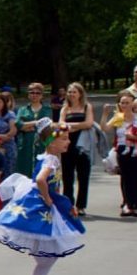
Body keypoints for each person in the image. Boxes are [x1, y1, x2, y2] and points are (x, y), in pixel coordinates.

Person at [0, 119, 85, 275]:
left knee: (47, 255)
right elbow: (41, 180)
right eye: (64, 139)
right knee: (49, 253)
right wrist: (48, 198)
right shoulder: (52, 159)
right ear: (51, 142)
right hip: (40, 204)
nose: (68, 142)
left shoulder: (48, 157)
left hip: (40, 202)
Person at [59, 82, 95, 218]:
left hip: (83, 146)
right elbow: (60, 125)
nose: (71, 94)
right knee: (67, 177)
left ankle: (81, 206)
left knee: (83, 176)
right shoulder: (65, 108)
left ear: (80, 94)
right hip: (67, 145)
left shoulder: (87, 107)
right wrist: (76, 126)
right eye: (69, 92)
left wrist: (70, 125)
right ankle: (68, 205)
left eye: (74, 92)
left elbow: (89, 123)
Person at [16, 83, 53, 179]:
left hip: (42, 144)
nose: (34, 95)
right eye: (32, 92)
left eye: (37, 93)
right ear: (28, 94)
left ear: (42, 95)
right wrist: (36, 122)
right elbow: (18, 124)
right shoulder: (23, 110)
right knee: (25, 173)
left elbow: (48, 125)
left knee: (41, 172)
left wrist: (28, 125)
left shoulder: (47, 109)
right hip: (26, 144)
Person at [113, 94, 137, 216]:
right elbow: (105, 128)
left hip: (136, 149)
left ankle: (135, 204)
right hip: (122, 149)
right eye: (122, 103)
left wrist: (133, 137)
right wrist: (105, 115)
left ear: (133, 104)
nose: (124, 105)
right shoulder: (119, 117)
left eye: (127, 102)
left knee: (135, 176)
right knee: (126, 177)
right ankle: (128, 204)